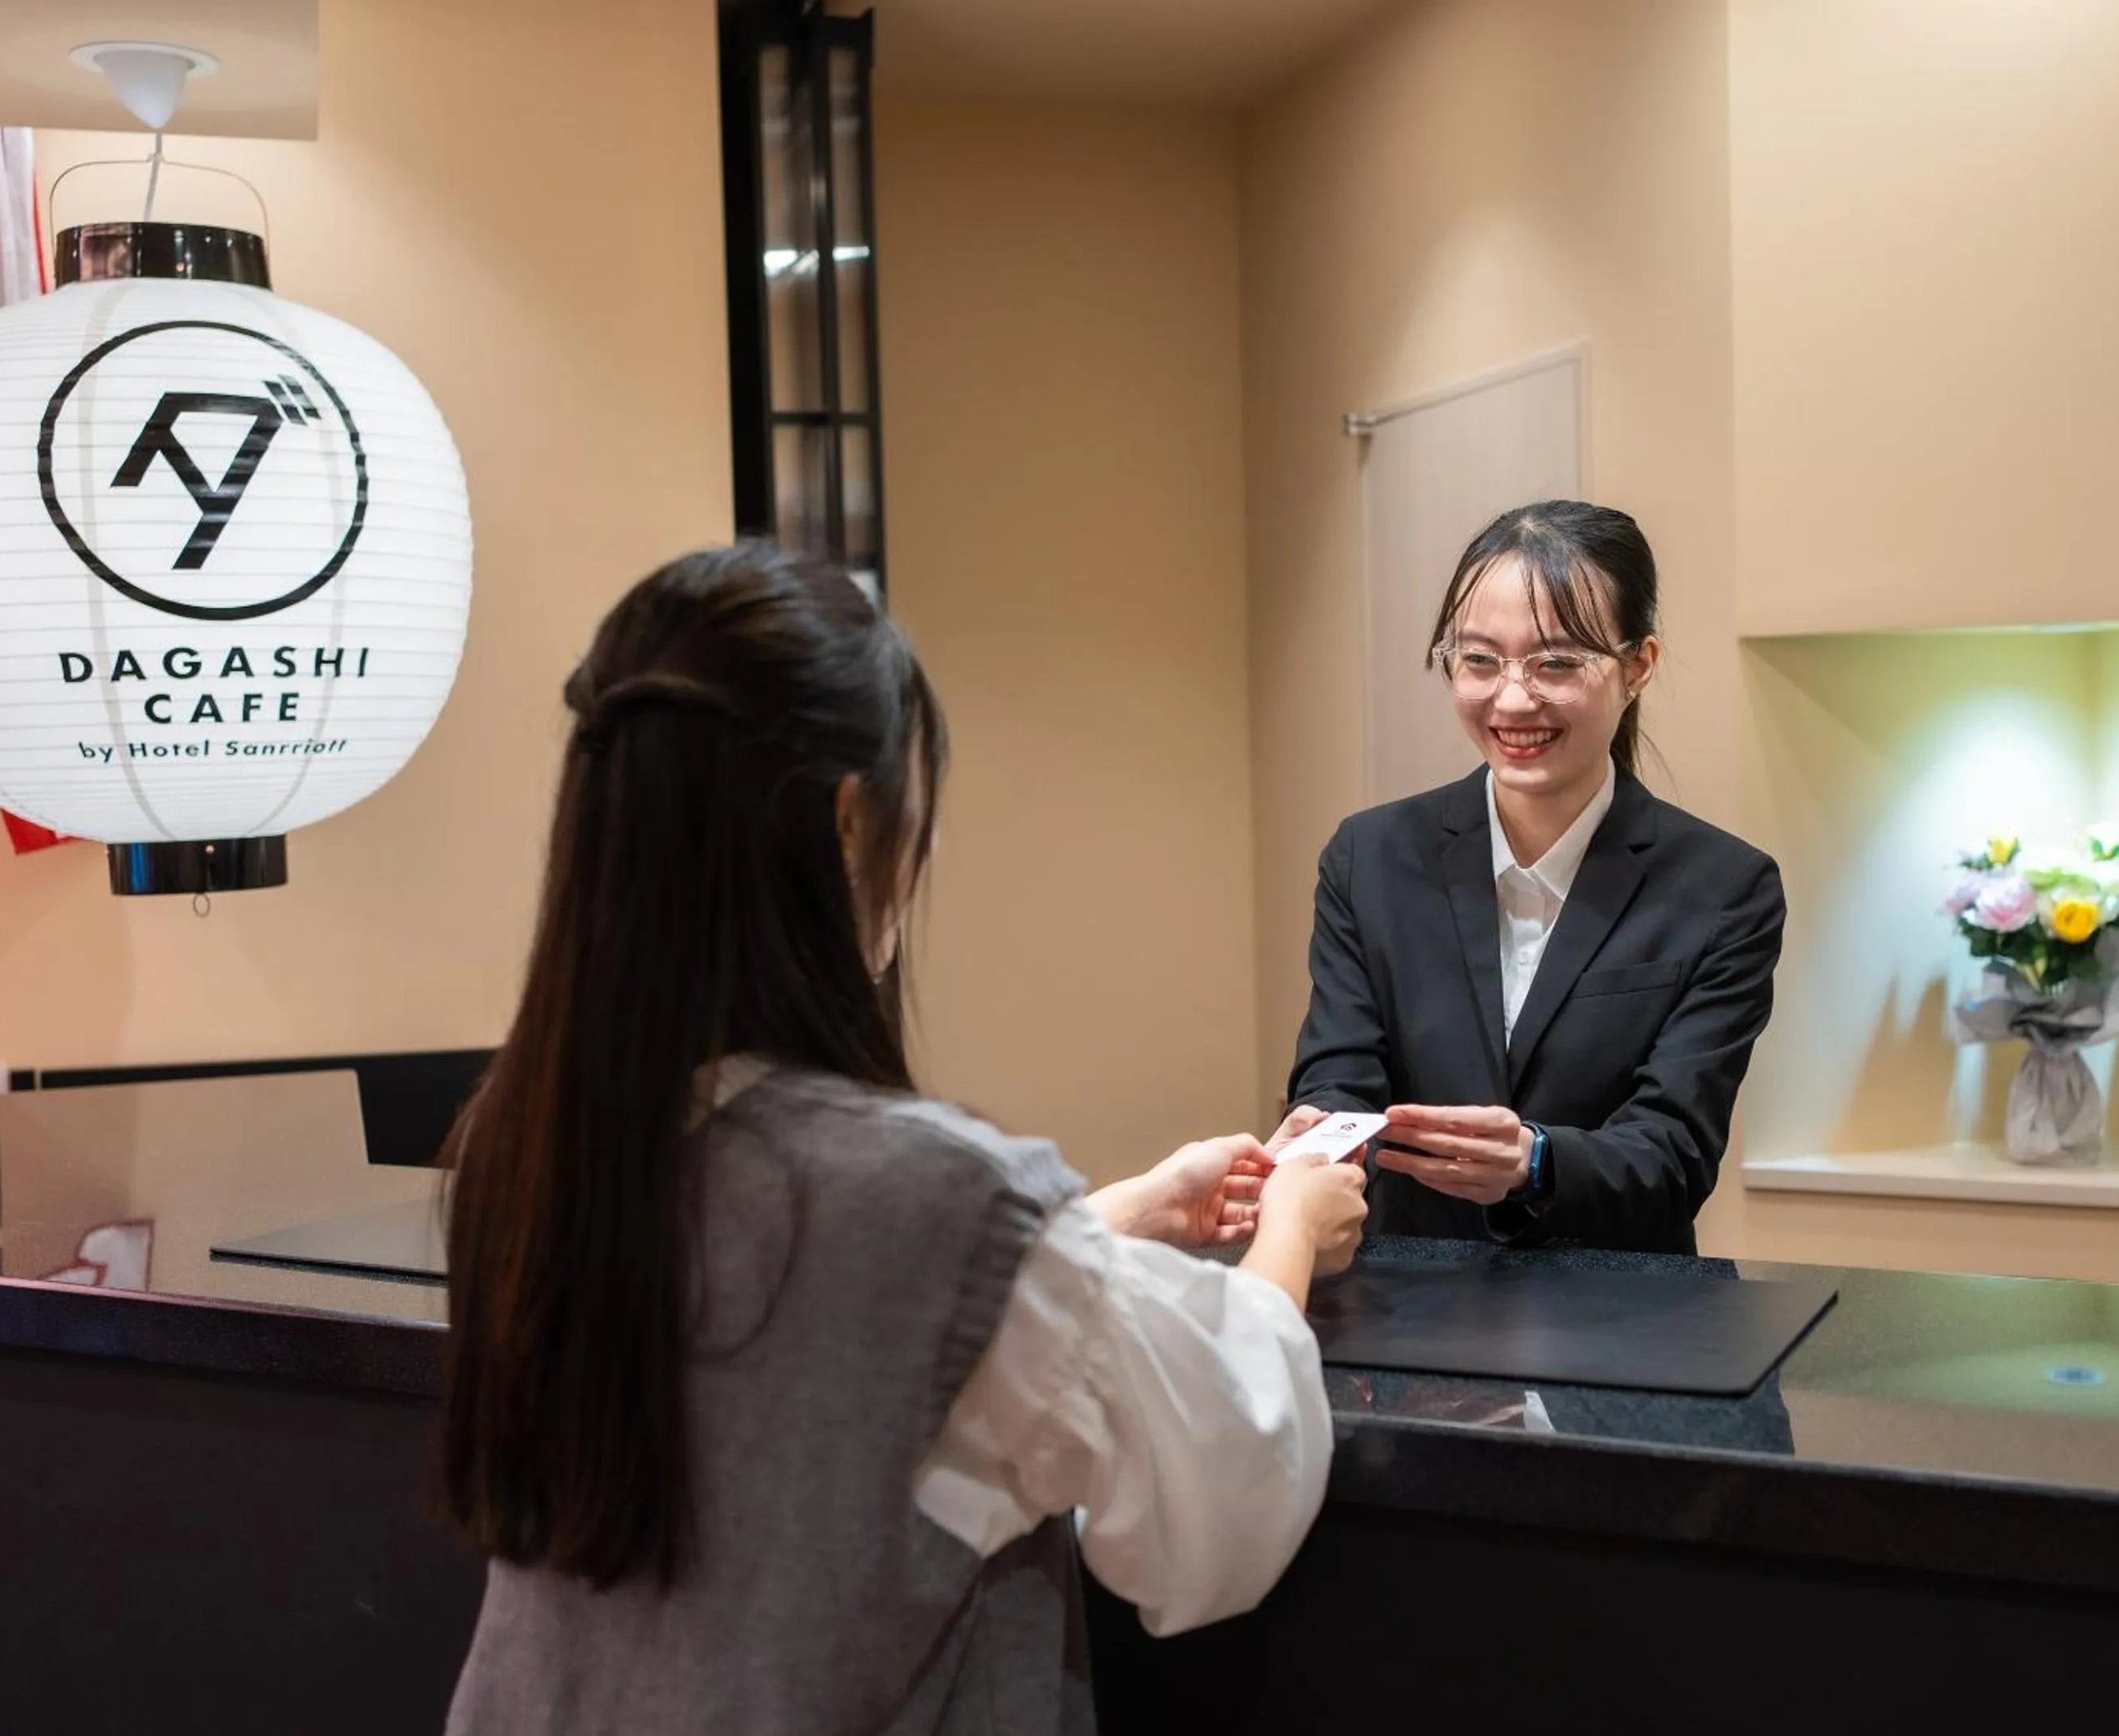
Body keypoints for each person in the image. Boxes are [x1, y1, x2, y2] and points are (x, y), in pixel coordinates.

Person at [436, 544, 1368, 1734]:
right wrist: (1286, 1236)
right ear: (846, 822)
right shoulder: (934, 1196)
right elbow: (1224, 1483)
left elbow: (833, 1326)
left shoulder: (523, 1152)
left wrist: (1109, 1219)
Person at [1282, 500, 1784, 1255]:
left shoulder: (1724, 888)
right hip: (1409, 1308)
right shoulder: (1371, 857)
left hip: (1620, 1320)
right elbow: (1339, 1077)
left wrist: (1535, 1161)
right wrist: (1321, 1136)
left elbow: (1676, 1156)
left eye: (1556, 662)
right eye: (1480, 660)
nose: (1513, 700)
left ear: (1638, 666)